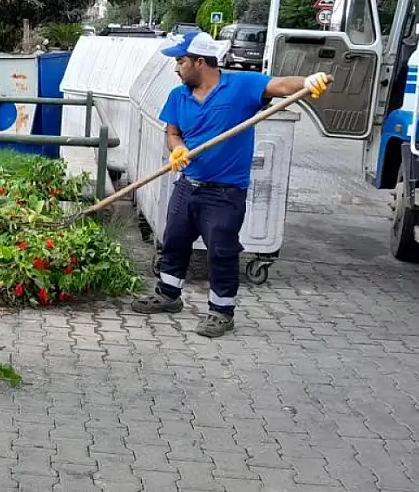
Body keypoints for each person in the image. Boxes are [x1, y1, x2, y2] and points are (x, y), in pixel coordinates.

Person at [131, 31, 329, 338]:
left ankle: (221, 313)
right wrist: (178, 149)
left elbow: (280, 85)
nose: (176, 68)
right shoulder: (178, 96)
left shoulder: (240, 87)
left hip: (225, 193)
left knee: (221, 253)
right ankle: (168, 295)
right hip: (188, 186)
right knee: (174, 241)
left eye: (180, 61)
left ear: (200, 62)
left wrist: (307, 82)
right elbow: (172, 133)